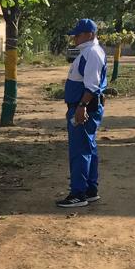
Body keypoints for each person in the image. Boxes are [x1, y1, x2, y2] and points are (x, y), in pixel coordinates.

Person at [57, 18, 107, 209]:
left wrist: (81, 106)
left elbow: (92, 85)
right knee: (88, 148)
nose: (75, 38)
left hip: (84, 108)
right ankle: (90, 190)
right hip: (84, 106)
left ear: (90, 34)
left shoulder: (92, 53)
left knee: (80, 151)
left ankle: (78, 194)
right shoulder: (88, 52)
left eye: (78, 35)